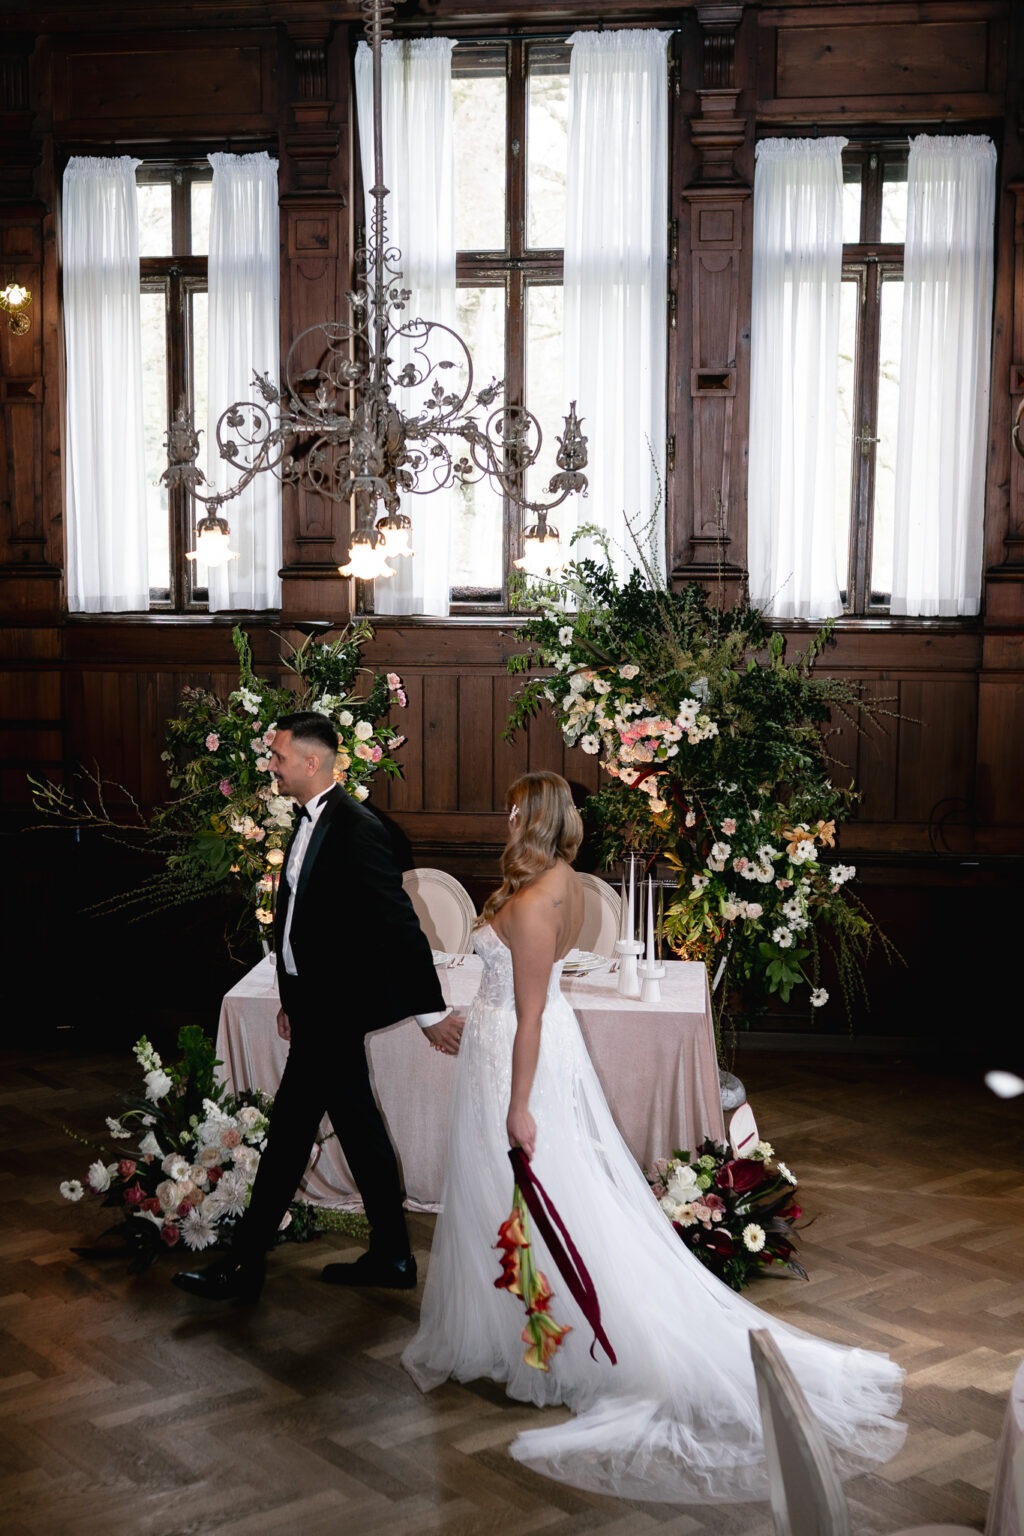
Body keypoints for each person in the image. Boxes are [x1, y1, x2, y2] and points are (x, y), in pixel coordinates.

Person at [402, 770, 906, 1503]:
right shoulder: (557, 879)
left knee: (545, 1198)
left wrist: (519, 1104)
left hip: (516, 1059)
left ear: (533, 818)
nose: (506, 819)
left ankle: (561, 1339)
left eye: (514, 810)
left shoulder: (539, 897)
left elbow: (531, 1012)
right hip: (507, 1048)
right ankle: (516, 1328)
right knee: (517, 1199)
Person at [174, 711, 463, 1303]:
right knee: (355, 1126)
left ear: (312, 761)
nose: (271, 766)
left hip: (336, 1010)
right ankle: (392, 1254)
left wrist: (430, 1016)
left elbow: (399, 926)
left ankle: (245, 1265)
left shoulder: (358, 827)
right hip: (315, 1006)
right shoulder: (306, 820)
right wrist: (291, 997)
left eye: (278, 757)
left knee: (289, 1135)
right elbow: (296, 924)